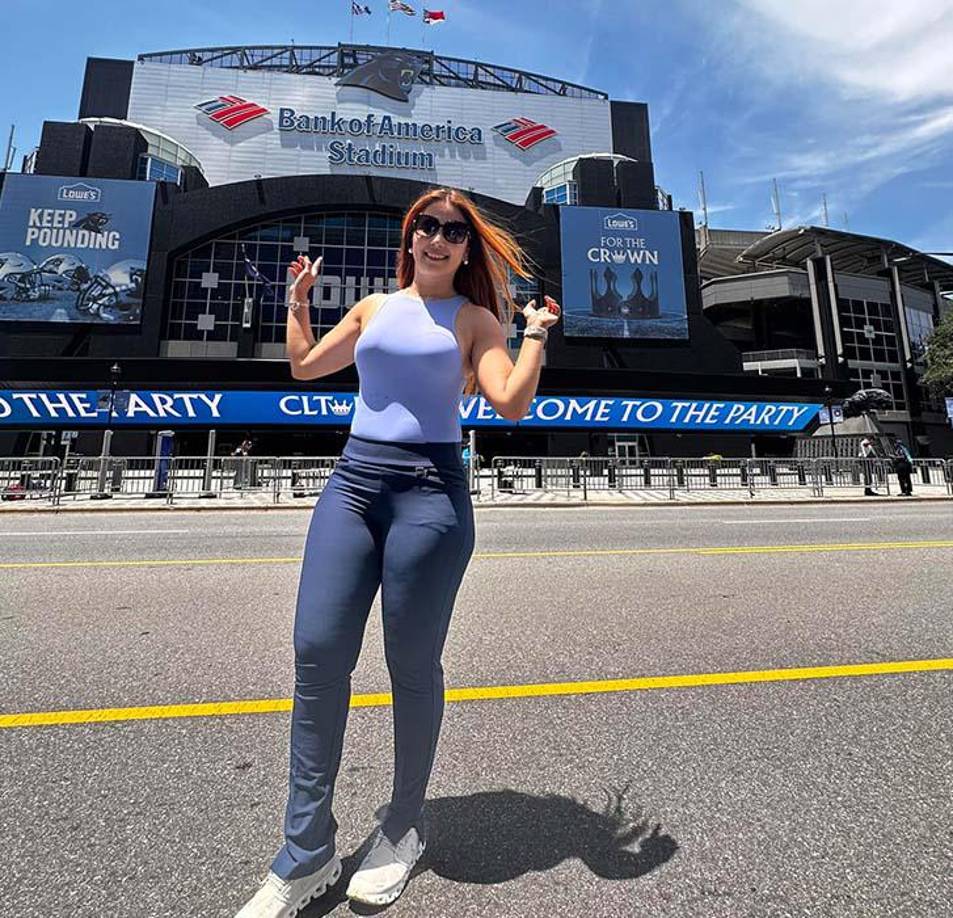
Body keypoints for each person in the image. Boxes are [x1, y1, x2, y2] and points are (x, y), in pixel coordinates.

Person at [235, 187, 561, 917]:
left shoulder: (476, 319)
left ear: (468, 248)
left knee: (411, 667)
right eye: (425, 227)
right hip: (351, 485)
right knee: (317, 652)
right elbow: (305, 367)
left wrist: (533, 334)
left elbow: (507, 401)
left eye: (452, 230)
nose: (437, 238)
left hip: (430, 494)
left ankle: (402, 826)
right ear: (410, 239)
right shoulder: (376, 307)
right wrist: (297, 303)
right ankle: (305, 851)